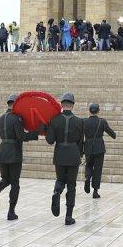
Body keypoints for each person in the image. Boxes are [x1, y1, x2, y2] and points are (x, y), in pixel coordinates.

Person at [0, 94, 40, 220]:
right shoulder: (17, 118)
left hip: (2, 151)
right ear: (16, 104)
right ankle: (11, 211)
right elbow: (21, 136)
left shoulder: (1, 118)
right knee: (15, 183)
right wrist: (36, 133)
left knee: (5, 179)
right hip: (14, 153)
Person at [46, 92, 84, 226]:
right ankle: (68, 217)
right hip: (73, 155)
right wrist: (80, 155)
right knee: (71, 185)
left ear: (62, 105)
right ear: (72, 106)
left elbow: (50, 141)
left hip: (60, 155)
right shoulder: (79, 121)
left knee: (60, 180)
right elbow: (81, 142)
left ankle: (57, 191)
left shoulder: (54, 120)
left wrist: (47, 128)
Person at [82, 103, 116, 199]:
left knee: (88, 165)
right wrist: (114, 134)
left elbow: (80, 136)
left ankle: (87, 178)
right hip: (99, 149)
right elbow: (112, 134)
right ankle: (95, 191)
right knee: (98, 169)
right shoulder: (102, 122)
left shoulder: (84, 121)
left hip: (88, 148)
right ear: (98, 111)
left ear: (89, 111)